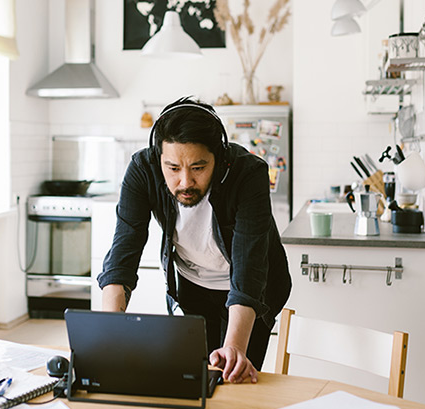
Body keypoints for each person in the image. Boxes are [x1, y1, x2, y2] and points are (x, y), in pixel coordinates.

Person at [97, 96, 291, 384]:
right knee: (194, 379)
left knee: (232, 379)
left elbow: (250, 265)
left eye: (198, 167)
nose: (185, 182)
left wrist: (235, 349)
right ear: (158, 158)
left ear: (220, 158)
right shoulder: (142, 170)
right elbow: (124, 249)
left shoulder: (247, 173)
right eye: (173, 168)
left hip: (252, 291)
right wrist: (109, 331)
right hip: (193, 284)